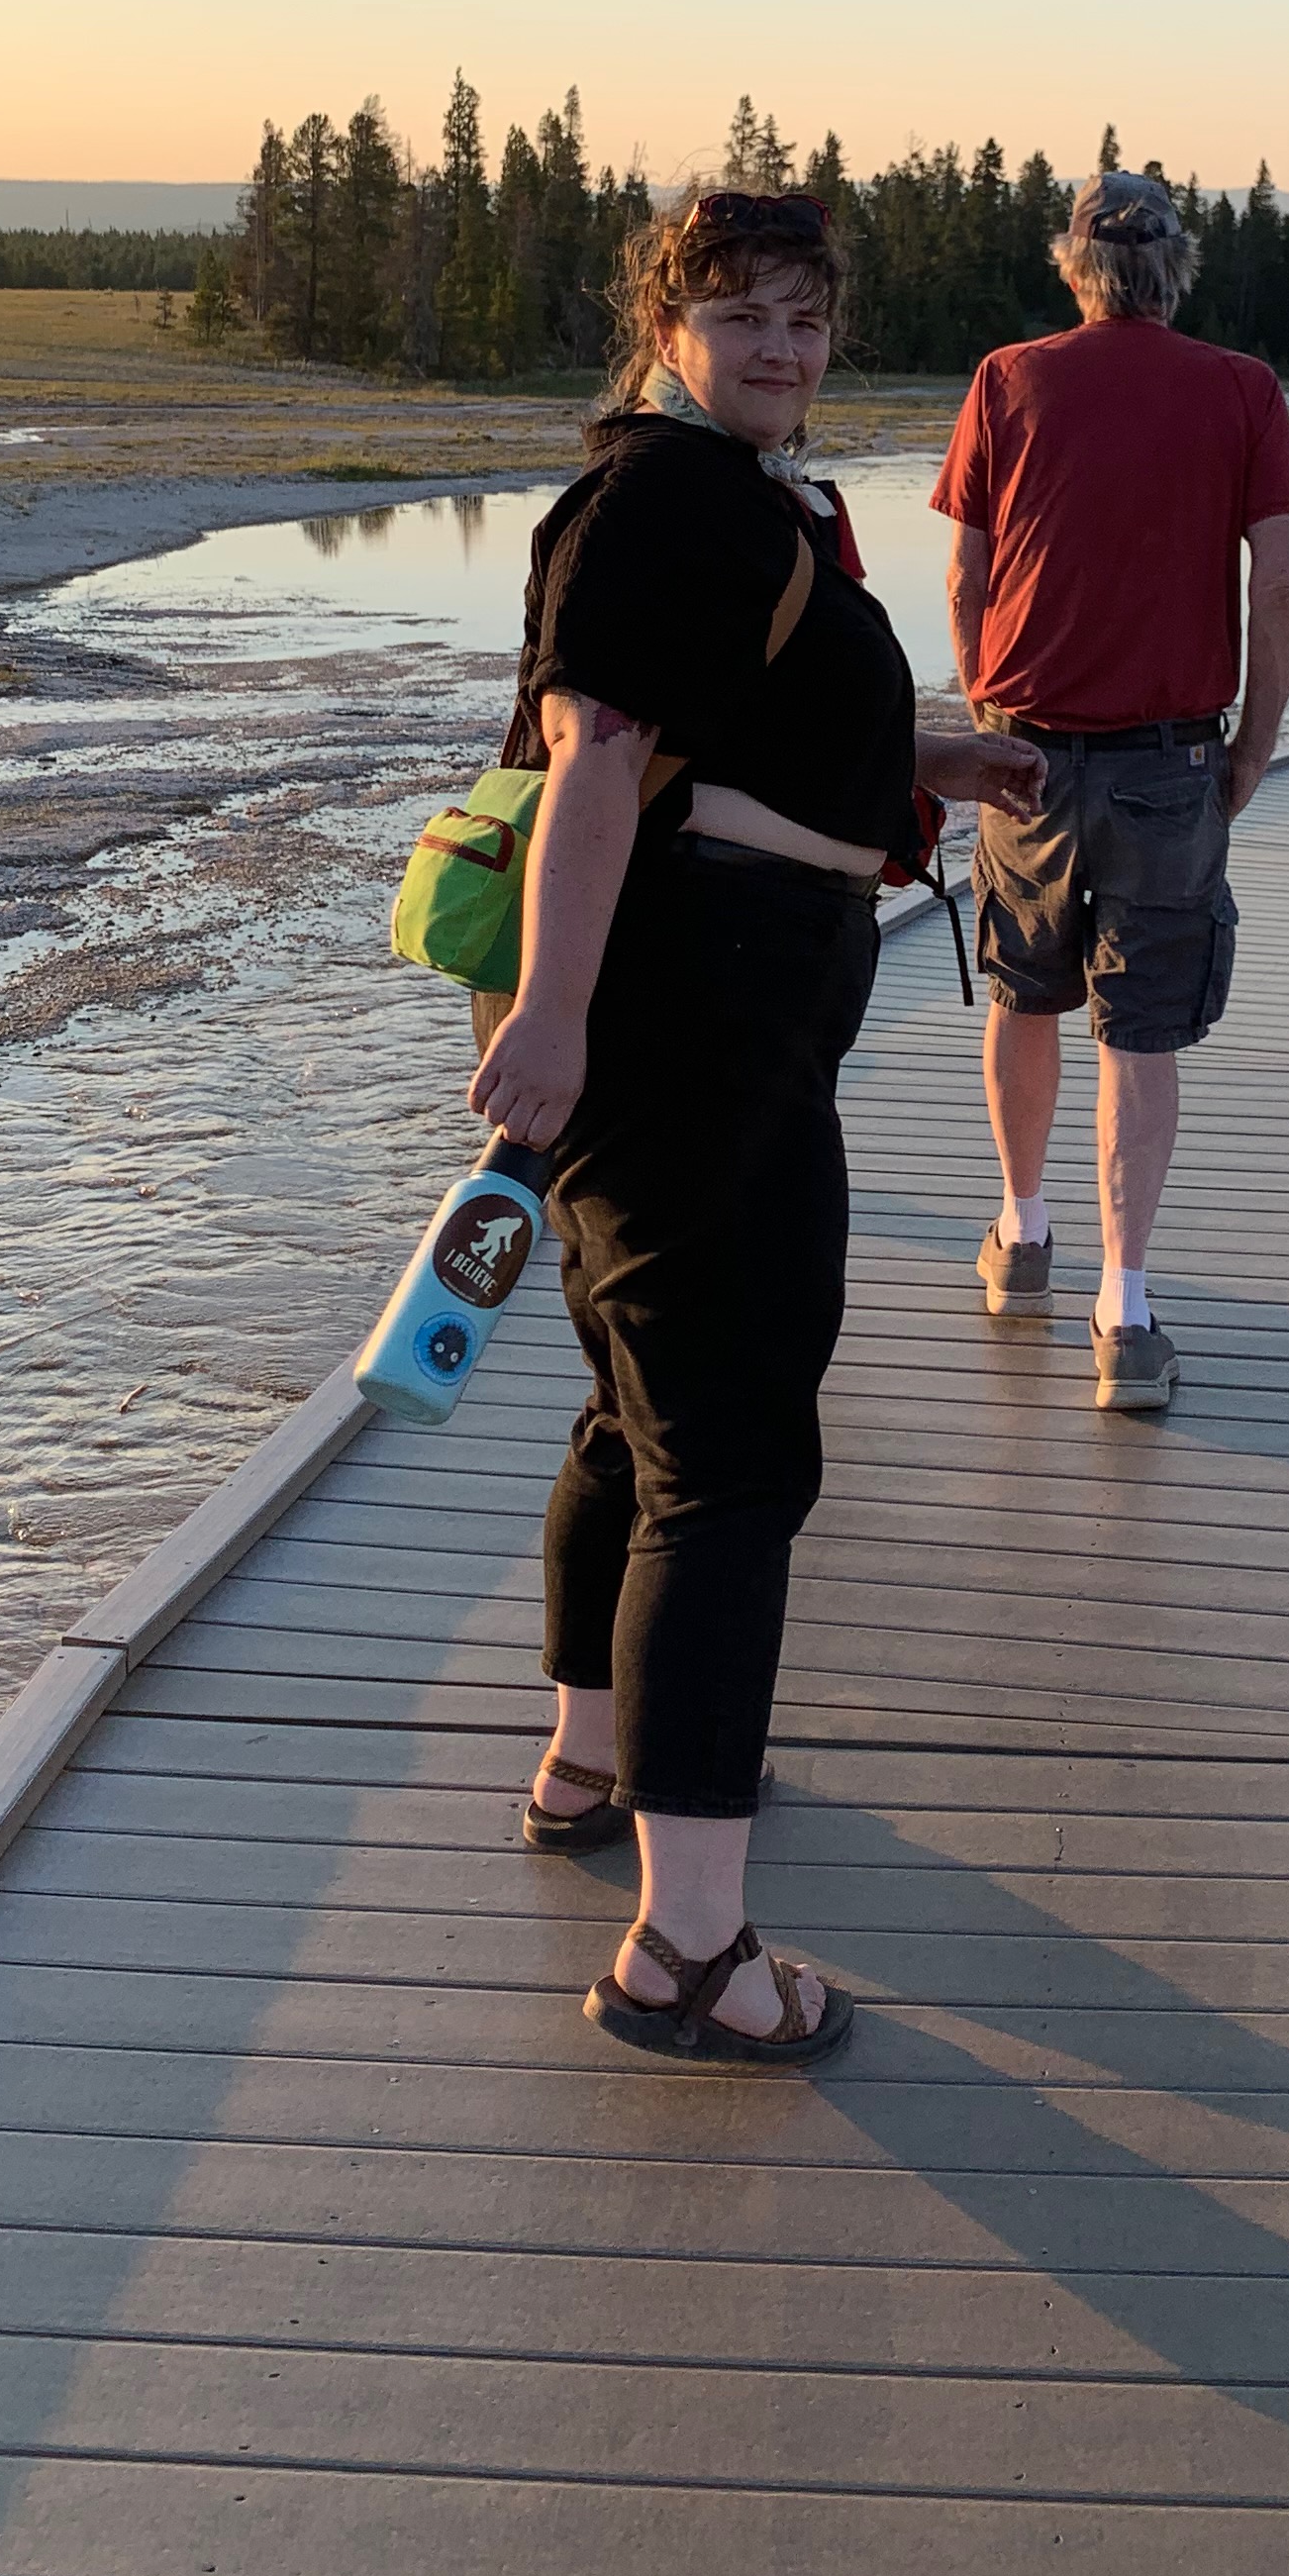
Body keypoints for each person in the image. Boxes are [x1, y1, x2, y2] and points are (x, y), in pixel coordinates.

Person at [469, 186, 1041, 2066]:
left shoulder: (734, 494)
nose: (782, 347)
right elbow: (595, 767)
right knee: (730, 1459)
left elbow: (736, 731)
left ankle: (589, 1761)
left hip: (721, 1002)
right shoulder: (649, 500)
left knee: (640, 1417)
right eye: (742, 315)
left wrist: (925, 760)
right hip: (685, 1009)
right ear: (665, 323)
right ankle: (687, 1953)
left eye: (804, 314)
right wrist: (550, 1016)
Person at [932, 167, 1289, 1416]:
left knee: (1023, 989)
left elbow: (965, 577)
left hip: (1025, 752)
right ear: (1173, 267)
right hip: (1171, 760)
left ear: (1074, 266)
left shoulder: (1007, 378)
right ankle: (1126, 1313)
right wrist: (1253, 745)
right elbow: (1280, 585)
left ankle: (1023, 1238)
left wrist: (986, 720)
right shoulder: (1242, 390)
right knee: (1140, 1030)